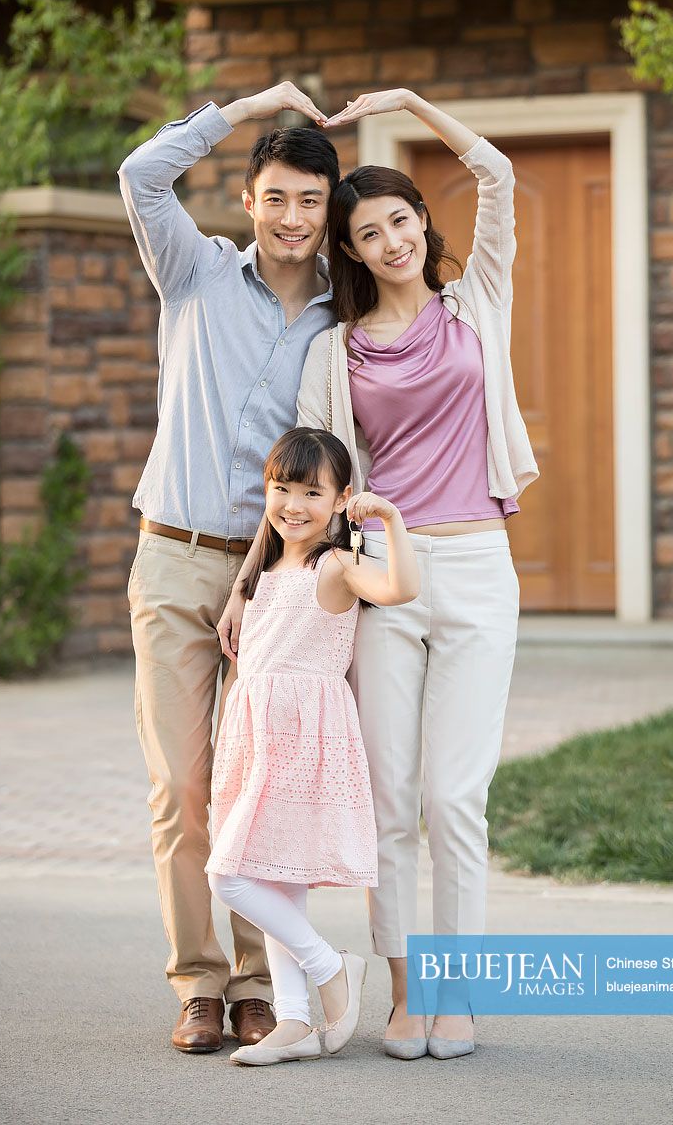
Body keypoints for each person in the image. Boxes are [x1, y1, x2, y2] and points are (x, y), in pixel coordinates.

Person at [220, 88, 538, 1061]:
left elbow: (500, 173)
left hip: (478, 562)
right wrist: (246, 581)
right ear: (348, 251)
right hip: (382, 570)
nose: (393, 239)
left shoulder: (476, 299)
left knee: (456, 797)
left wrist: (409, 105)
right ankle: (403, 994)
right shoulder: (335, 350)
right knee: (394, 800)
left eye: (403, 219)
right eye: (369, 230)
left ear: (421, 225)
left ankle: (458, 992)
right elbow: (309, 490)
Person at [119, 81, 339, 1054]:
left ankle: (259, 979)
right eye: (277, 197)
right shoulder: (194, 273)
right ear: (249, 200)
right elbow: (140, 172)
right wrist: (248, 105)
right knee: (182, 786)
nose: (293, 218)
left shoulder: (342, 326)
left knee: (257, 786)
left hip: (273, 583)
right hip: (171, 559)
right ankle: (199, 981)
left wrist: (263, 584)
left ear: (328, 213)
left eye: (311, 201)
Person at [207, 427, 419, 1066]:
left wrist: (391, 520)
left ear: (339, 499)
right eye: (281, 489)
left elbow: (400, 590)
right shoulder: (267, 568)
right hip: (258, 736)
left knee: (229, 873)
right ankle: (295, 1021)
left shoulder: (335, 566)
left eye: (310, 492)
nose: (293, 505)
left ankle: (331, 968)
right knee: (275, 877)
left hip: (306, 742)